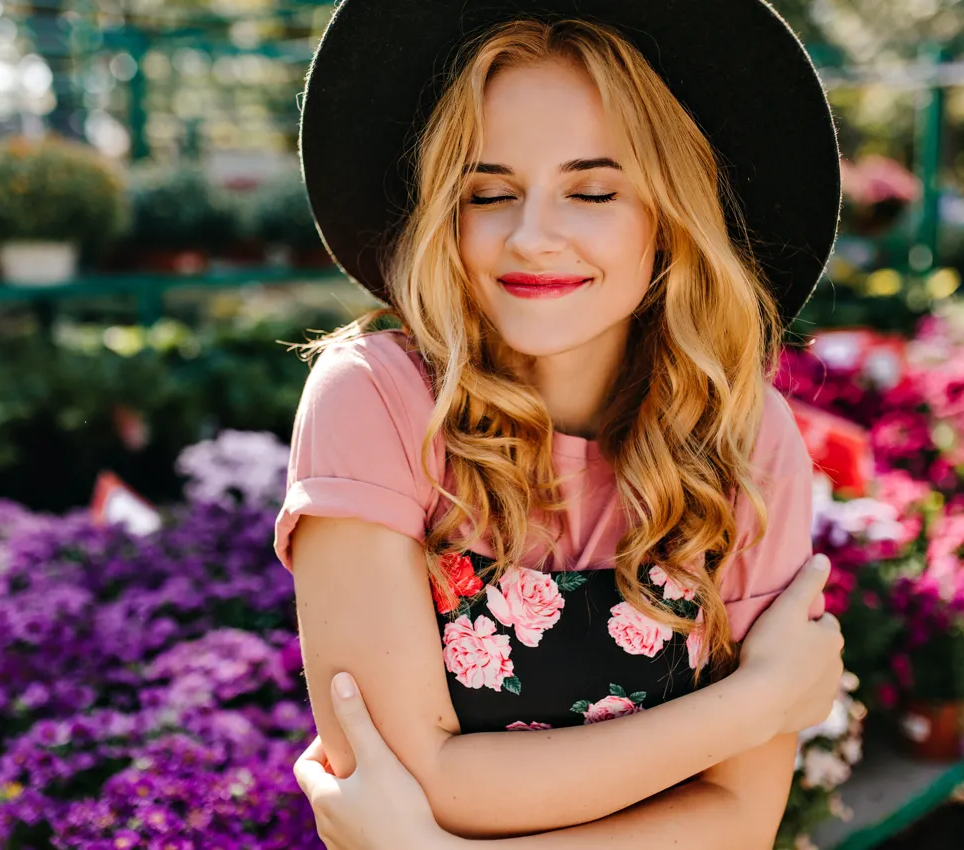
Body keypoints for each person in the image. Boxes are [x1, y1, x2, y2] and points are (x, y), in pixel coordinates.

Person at [274, 2, 847, 847]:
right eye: (491, 192)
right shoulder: (375, 397)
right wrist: (754, 703)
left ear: (670, 213)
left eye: (592, 189)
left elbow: (738, 820)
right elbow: (413, 779)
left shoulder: (744, 438)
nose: (534, 236)